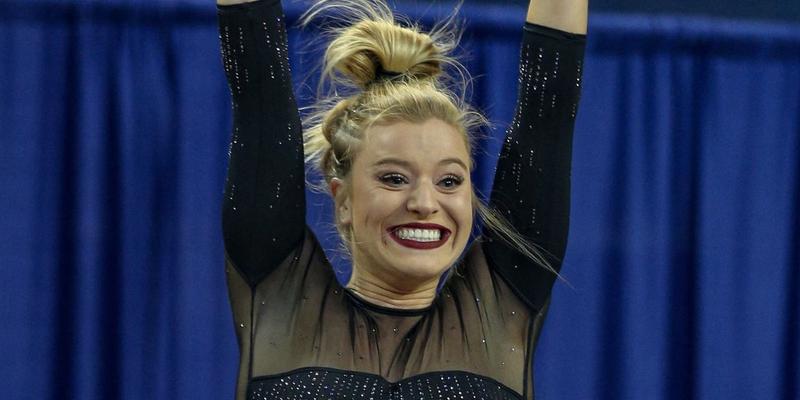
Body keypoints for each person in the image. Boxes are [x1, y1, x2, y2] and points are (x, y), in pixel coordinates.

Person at [216, 0, 587, 398]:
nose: (425, 203)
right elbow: (259, 90)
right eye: (394, 178)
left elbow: (547, 112)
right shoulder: (281, 294)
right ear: (342, 199)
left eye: (449, 181)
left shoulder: (501, 306)